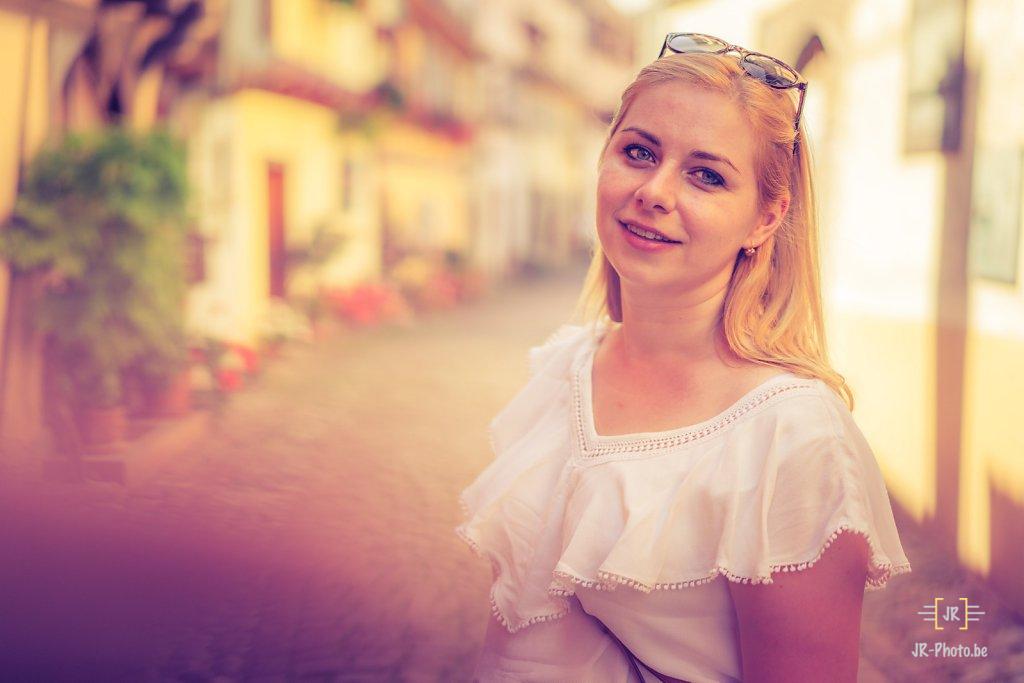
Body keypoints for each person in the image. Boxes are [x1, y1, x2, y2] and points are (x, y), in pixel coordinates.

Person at [455, 33, 912, 682]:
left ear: (765, 217)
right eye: (638, 152)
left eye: (706, 175)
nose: (655, 190)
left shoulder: (789, 438)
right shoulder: (566, 369)